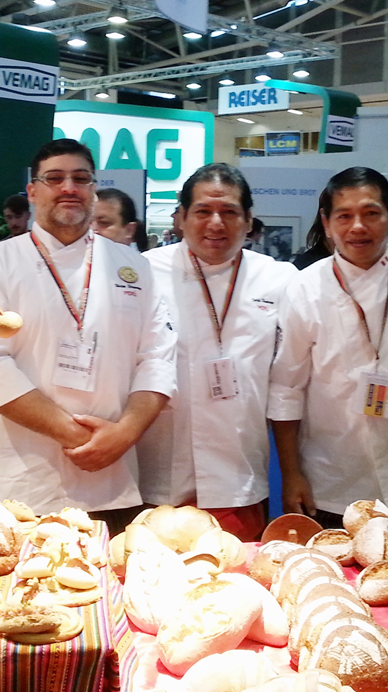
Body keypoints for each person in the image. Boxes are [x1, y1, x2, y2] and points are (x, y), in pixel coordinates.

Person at [0, 139, 176, 534]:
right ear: (32, 191)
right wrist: (74, 435)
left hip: (112, 479)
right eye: (55, 178)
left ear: (93, 190)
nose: (69, 188)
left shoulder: (132, 266)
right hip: (23, 484)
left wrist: (124, 434)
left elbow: (158, 357)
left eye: (81, 178)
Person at [268, 167, 388, 542]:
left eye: (371, 213)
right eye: (344, 216)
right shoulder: (304, 287)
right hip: (329, 475)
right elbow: (286, 388)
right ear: (326, 223)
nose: (358, 227)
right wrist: (291, 473)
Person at [138, 163, 296, 541]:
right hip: (158, 467)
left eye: (229, 212)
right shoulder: (143, 272)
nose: (215, 223)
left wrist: (292, 472)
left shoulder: (280, 279)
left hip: (238, 471)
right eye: (203, 211)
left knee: (234, 570)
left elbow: (289, 380)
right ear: (180, 217)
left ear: (249, 220)